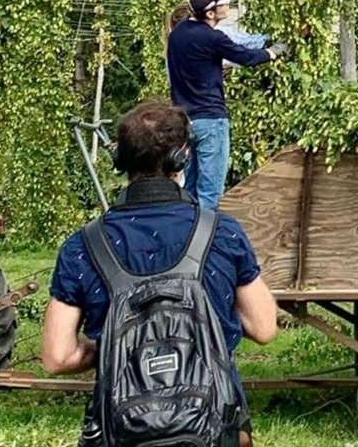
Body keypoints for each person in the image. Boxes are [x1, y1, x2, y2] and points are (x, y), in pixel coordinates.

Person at [42, 100, 279, 447]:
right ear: (182, 158)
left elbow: (57, 357)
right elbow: (264, 327)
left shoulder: (82, 247)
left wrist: (117, 345)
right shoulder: (222, 233)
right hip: (213, 424)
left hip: (123, 429)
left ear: (120, 160)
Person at [167, 0, 285, 209]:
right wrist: (273, 52)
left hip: (184, 122)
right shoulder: (213, 38)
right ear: (210, 13)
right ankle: (206, 242)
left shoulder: (177, 34)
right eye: (224, 3)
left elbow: (195, 65)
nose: (228, 5)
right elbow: (247, 57)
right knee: (210, 194)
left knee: (189, 188)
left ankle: (184, 236)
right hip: (211, 121)